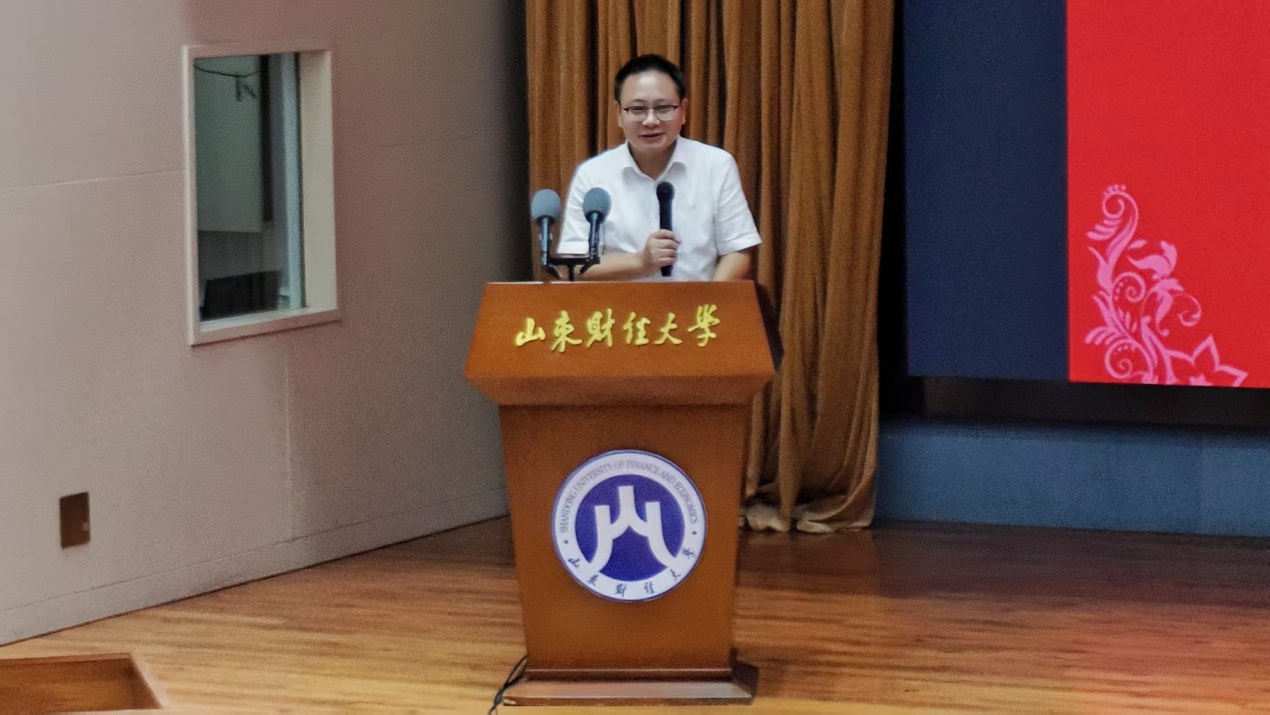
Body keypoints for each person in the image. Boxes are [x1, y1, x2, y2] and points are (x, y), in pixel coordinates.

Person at [556, 54, 760, 281]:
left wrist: (709, 298)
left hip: (698, 301)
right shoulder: (593, 175)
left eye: (663, 108)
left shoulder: (716, 165)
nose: (651, 121)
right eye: (637, 109)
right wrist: (641, 262)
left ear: (683, 111)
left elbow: (738, 250)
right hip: (619, 305)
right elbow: (573, 265)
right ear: (619, 114)